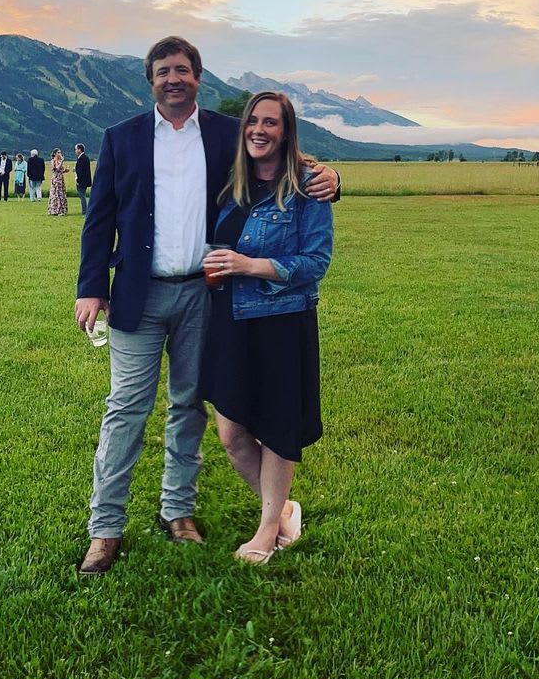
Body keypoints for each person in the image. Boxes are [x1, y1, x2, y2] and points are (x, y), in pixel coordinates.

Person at [74, 36, 340, 576]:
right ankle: (105, 529)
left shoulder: (226, 133)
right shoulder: (121, 138)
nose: (174, 78)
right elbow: (99, 217)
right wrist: (90, 286)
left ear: (198, 77)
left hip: (205, 293)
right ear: (150, 80)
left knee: (189, 405)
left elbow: (284, 160)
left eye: (184, 70)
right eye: (163, 71)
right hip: (136, 294)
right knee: (126, 408)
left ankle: (178, 511)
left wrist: (335, 179)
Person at [201, 92, 332, 564]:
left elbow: (316, 261)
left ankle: (264, 531)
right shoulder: (229, 182)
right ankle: (283, 510)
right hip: (230, 320)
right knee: (232, 434)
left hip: (281, 321)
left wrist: (250, 265)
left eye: (271, 123)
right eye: (252, 121)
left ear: (286, 131)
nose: (259, 129)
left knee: (277, 428)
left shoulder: (307, 187)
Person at [74, 143, 92, 214]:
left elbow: (81, 171)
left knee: (82, 196)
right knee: (83, 195)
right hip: (85, 180)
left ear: (79, 150)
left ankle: (85, 210)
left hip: (82, 181)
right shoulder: (85, 158)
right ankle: (85, 209)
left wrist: (77, 180)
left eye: (76, 149)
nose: (75, 151)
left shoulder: (81, 159)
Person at [49, 148, 68, 215]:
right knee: (56, 193)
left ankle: (62, 210)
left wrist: (65, 170)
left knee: (61, 193)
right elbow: (56, 169)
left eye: (60, 152)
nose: (60, 154)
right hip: (56, 179)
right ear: (55, 154)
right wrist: (62, 161)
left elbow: (60, 170)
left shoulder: (59, 161)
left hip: (60, 178)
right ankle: (55, 210)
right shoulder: (53, 161)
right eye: (58, 153)